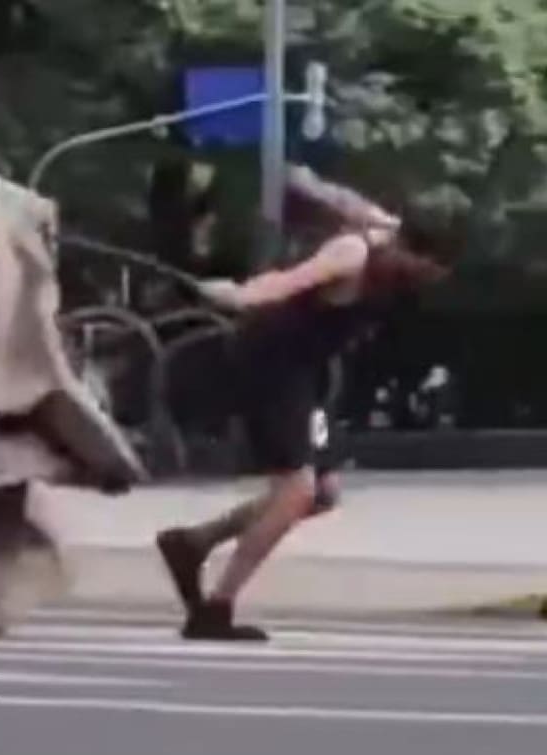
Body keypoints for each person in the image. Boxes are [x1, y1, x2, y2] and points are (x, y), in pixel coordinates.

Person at [155, 175, 458, 641]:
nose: (426, 275)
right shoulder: (353, 253)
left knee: (322, 493)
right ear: (408, 247)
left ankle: (194, 542)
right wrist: (237, 294)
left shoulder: (388, 237)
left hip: (306, 373)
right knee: (295, 492)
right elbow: (285, 284)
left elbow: (347, 200)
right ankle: (216, 610)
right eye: (425, 263)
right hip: (270, 365)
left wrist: (308, 183)